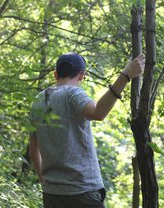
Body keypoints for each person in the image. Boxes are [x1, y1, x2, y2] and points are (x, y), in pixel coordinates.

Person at [29, 52, 145, 208]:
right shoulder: (73, 93)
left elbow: (33, 149)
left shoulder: (38, 100)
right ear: (81, 75)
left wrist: (45, 182)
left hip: (51, 194)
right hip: (81, 191)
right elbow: (98, 113)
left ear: (56, 74)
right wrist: (125, 76)